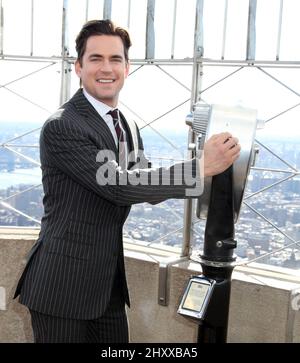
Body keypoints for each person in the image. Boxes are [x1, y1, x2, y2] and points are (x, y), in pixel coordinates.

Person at [14, 19, 240, 343]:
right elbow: (119, 186)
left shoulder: (128, 125)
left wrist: (217, 174)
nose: (106, 68)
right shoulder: (63, 126)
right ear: (78, 67)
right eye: (96, 59)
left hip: (107, 287)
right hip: (62, 287)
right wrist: (200, 166)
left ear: (127, 67)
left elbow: (143, 185)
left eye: (115, 59)